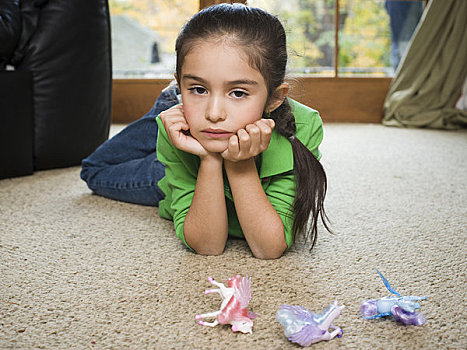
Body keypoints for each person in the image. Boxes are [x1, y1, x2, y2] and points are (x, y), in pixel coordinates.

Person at [81, 3, 330, 259]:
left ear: (274, 98)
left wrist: (238, 162)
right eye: (198, 89)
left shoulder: (303, 126)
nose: (214, 113)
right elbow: (207, 246)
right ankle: (169, 103)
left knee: (195, 116)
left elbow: (268, 247)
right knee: (94, 170)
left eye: (238, 92)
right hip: (189, 145)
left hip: (200, 136)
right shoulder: (176, 132)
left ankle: (178, 97)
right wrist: (209, 158)